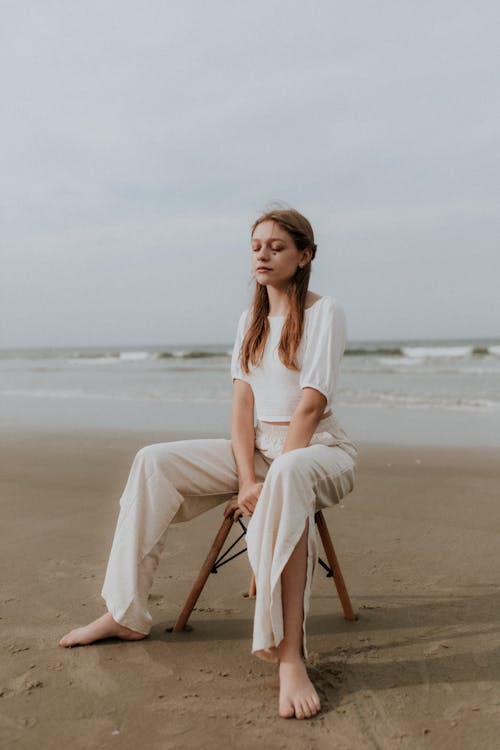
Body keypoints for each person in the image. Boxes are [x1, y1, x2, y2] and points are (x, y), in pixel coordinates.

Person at [59, 207, 358, 720]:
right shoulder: (251, 320)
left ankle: (290, 656)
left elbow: (309, 405)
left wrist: (275, 471)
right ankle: (125, 612)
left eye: (277, 246)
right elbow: (242, 407)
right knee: (154, 461)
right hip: (259, 450)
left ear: (304, 256)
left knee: (285, 473)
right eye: (256, 245)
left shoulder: (326, 312)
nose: (262, 254)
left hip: (318, 450)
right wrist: (246, 478)